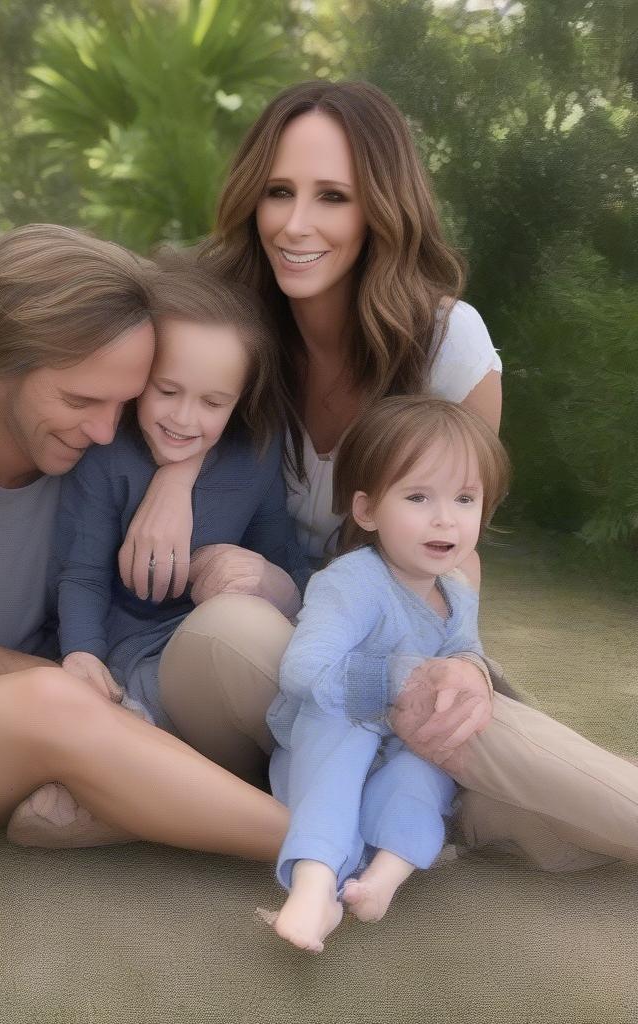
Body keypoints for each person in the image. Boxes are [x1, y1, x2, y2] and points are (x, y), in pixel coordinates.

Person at [122, 80, 638, 871]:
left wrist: (463, 660)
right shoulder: (222, 325)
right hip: (241, 656)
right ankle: (406, 790)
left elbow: (452, 538)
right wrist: (174, 476)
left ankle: (409, 796)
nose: (297, 225)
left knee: (442, 710)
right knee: (233, 629)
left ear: (381, 210)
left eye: (333, 197)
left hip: (385, 645)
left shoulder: (448, 348)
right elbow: (133, 399)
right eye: (278, 193)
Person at [0, 226, 294, 873]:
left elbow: (186, 385)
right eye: (82, 401)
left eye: (120, 402)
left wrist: (179, 474)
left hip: (90, 695)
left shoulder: (91, 440)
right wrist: (74, 682)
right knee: (57, 703)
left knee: (129, 698)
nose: (103, 428)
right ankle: (319, 843)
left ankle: (130, 806)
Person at [269, 397, 509, 951]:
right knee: (341, 731)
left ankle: (383, 880)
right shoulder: (351, 581)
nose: (445, 518)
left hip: (398, 747)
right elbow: (303, 669)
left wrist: (466, 670)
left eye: (465, 498)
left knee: (426, 772)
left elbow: (465, 649)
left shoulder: (455, 593)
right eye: (419, 497)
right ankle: (313, 885)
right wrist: (405, 677)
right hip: (325, 747)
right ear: (368, 511)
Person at [56, 257, 306, 731]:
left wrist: (280, 587)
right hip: (132, 649)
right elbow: (82, 574)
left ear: (240, 400)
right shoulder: (107, 455)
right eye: (167, 390)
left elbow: (282, 553)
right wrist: (83, 654)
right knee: (133, 716)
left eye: (213, 403)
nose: (185, 419)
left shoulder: (255, 453)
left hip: (229, 637)